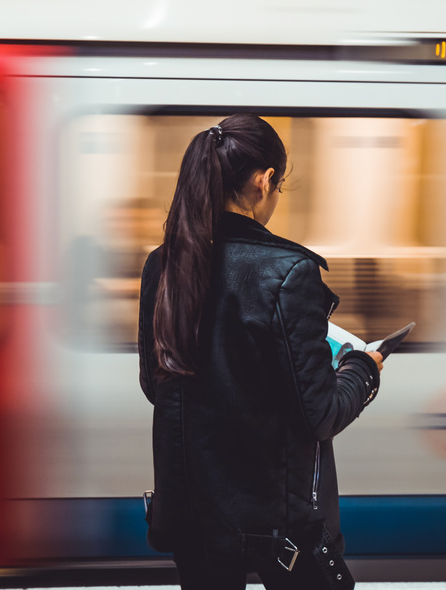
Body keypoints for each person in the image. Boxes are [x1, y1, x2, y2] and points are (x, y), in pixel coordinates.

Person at [138, 115, 383, 590]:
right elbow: (320, 415)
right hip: (278, 528)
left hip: (192, 518)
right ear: (263, 180)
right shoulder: (290, 272)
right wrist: (362, 369)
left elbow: (157, 385)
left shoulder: (163, 264)